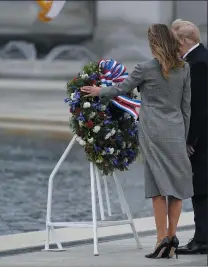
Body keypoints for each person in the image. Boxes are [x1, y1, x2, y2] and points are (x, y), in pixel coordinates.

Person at [81, 24, 193, 259]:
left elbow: (121, 89)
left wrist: (97, 91)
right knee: (177, 187)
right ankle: (172, 238)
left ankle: (161, 238)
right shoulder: (184, 69)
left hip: (152, 133)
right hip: (176, 131)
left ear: (153, 43)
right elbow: (186, 109)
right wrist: (183, 137)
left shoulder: (145, 69)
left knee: (156, 187)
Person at [171, 19, 208, 255]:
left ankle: (202, 240)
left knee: (202, 190)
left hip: (202, 141)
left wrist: (189, 141)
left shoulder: (197, 64)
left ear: (184, 41)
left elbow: (200, 107)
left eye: (175, 43)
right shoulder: (200, 58)